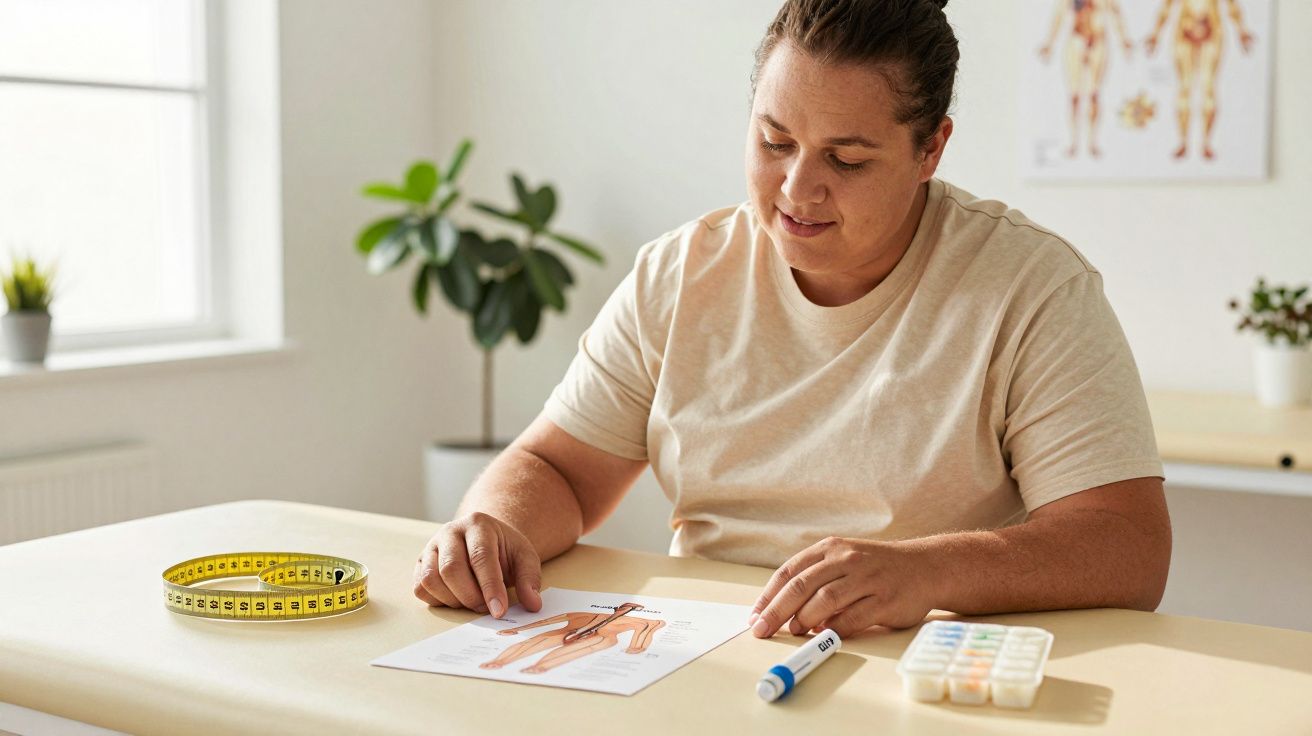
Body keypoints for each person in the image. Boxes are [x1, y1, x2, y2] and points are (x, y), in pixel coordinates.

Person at [413, 0, 1171, 641]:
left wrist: (930, 570)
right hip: (697, 651)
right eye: (775, 142)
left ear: (930, 149)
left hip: (915, 666)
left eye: (846, 161)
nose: (796, 189)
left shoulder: (1031, 288)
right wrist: (496, 525)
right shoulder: (681, 273)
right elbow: (559, 472)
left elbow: (1128, 544)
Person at [1144, 0, 1255, 160]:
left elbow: (1232, 6)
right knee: (1185, 88)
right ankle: (1183, 141)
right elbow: (1166, 6)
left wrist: (1241, 31)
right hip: (1184, 32)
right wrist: (1155, 34)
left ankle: (1206, 142)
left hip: (1212, 31)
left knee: (1208, 87)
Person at [1038, 0, 1134, 158]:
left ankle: (1092, 142)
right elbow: (1059, 15)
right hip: (1076, 40)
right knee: (1074, 95)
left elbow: (1116, 14)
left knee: (1094, 94)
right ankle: (1073, 142)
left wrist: (1124, 40)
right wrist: (1049, 43)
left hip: (1098, 41)